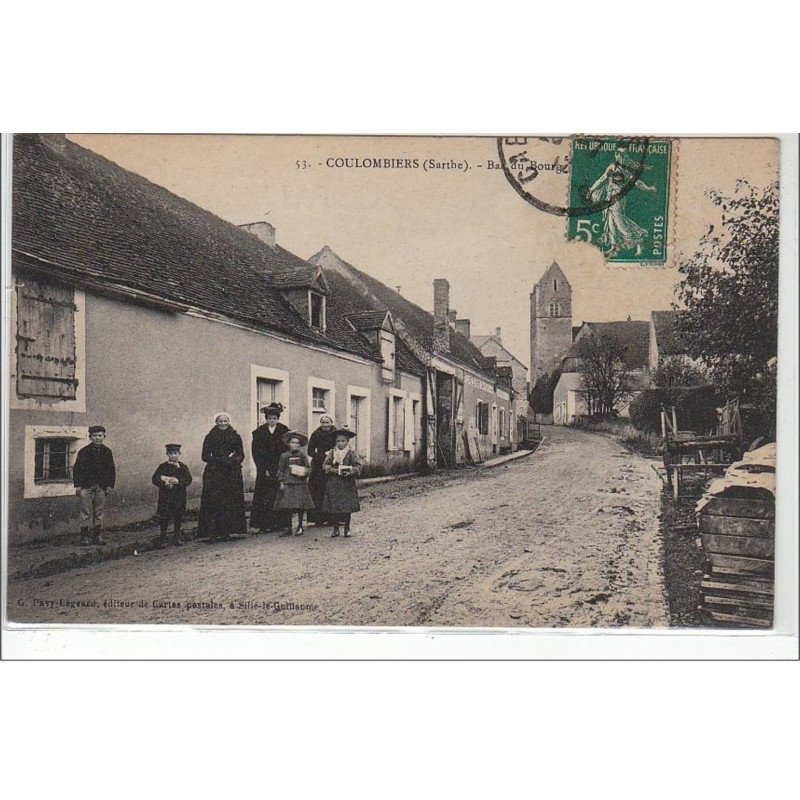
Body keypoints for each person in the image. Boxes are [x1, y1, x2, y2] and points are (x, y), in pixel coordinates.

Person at [197, 413, 247, 542]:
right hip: (215, 472)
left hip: (231, 472)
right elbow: (205, 456)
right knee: (214, 501)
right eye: (220, 421)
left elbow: (241, 454)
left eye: (225, 421)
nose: (223, 424)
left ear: (229, 422)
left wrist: (233, 460)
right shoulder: (210, 437)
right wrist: (219, 460)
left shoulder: (235, 436)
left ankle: (231, 531)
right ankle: (213, 532)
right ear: (216, 422)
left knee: (231, 500)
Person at [73, 425, 116, 546]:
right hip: (86, 486)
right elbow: (77, 469)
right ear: (90, 437)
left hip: (101, 486)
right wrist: (78, 486)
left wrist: (109, 485)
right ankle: (84, 537)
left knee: (99, 511)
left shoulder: (107, 452)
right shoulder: (84, 451)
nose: (97, 438)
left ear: (104, 437)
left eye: (100, 435)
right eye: (95, 436)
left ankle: (97, 536)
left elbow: (111, 469)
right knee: (85, 511)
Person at [250, 402, 289, 533]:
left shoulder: (284, 431)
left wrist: (283, 467)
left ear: (278, 419)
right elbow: (256, 452)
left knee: (279, 494)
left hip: (280, 466)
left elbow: (287, 449)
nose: (272, 421)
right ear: (266, 419)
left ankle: (280, 523)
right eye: (269, 418)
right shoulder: (259, 432)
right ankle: (264, 524)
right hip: (265, 468)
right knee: (264, 495)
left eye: (274, 418)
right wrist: (263, 468)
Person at [322, 427, 362, 538]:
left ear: (347, 441)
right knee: (335, 506)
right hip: (334, 482)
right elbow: (325, 465)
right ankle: (335, 529)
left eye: (343, 441)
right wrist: (332, 470)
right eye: (338, 441)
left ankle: (347, 528)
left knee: (346, 507)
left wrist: (351, 471)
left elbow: (358, 466)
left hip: (347, 483)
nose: (340, 443)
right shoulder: (332, 453)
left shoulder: (351, 453)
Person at [273, 431, 316, 537]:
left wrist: (302, 472)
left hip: (300, 484)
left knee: (300, 506)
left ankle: (300, 526)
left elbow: (308, 468)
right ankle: (288, 527)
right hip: (288, 483)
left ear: (300, 445)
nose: (295, 445)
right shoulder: (284, 456)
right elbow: (280, 470)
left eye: (297, 443)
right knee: (287, 506)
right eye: (292, 442)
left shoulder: (302, 455)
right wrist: (281, 482)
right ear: (288, 444)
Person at [151, 443, 193, 548]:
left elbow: (188, 479)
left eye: (175, 453)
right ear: (167, 454)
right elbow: (155, 479)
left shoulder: (183, 467)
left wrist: (178, 481)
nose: (173, 455)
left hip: (179, 496)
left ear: (179, 454)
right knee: (164, 517)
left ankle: (176, 538)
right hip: (166, 497)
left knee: (178, 516)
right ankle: (162, 539)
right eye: (170, 453)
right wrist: (164, 483)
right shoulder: (162, 467)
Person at [307, 414, 337, 525]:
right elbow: (310, 451)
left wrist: (333, 454)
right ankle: (318, 518)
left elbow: (341, 447)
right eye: (323, 422)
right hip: (318, 466)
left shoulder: (336, 434)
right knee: (318, 491)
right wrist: (322, 454)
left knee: (331, 490)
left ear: (331, 423)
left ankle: (332, 518)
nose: (325, 425)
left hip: (333, 464)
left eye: (327, 422)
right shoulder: (316, 434)